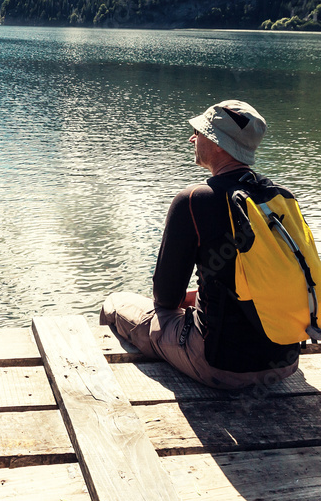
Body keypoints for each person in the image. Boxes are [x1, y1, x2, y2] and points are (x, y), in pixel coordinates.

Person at [100, 99, 306, 390]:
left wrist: (190, 302)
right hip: (285, 362)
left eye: (199, 132)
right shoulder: (281, 198)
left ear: (219, 144)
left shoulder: (195, 200)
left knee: (117, 303)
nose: (192, 138)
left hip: (218, 367)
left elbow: (166, 299)